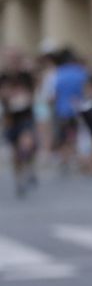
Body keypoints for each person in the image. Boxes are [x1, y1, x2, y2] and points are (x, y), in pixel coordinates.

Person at [1, 70, 38, 198]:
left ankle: (28, 166)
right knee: (15, 153)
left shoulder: (25, 76)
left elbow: (32, 96)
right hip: (11, 122)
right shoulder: (4, 78)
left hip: (25, 120)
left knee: (26, 144)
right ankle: (19, 180)